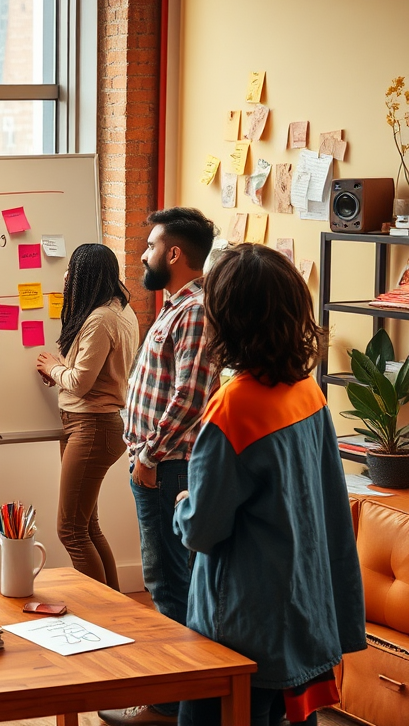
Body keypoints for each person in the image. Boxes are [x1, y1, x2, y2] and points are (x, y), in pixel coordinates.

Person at [173, 244, 366, 725]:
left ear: (226, 319)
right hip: (302, 610)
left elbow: (202, 529)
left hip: (241, 624)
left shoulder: (232, 407)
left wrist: (183, 505)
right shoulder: (308, 391)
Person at [100, 207, 218, 726]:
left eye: (150, 246)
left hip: (168, 465)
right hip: (158, 462)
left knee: (169, 583)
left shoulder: (193, 311)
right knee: (167, 580)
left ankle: (170, 705)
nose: (142, 255)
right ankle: (179, 698)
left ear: (174, 254)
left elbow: (190, 395)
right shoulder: (176, 306)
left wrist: (148, 454)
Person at [36, 243, 139, 589]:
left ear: (85, 275)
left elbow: (80, 382)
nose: (65, 276)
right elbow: (92, 373)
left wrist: (53, 368)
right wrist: (60, 370)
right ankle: (117, 607)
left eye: (71, 270)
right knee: (87, 527)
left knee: (70, 531)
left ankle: (99, 615)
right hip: (90, 424)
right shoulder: (119, 311)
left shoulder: (100, 320)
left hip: (92, 426)